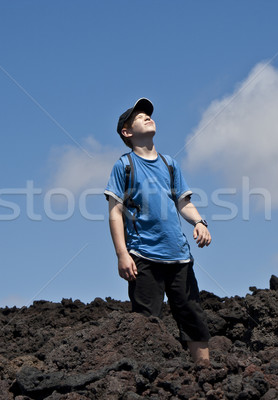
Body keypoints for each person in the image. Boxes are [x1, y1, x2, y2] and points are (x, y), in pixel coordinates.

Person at [104, 98, 212, 366]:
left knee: (192, 317)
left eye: (148, 115)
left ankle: (207, 376)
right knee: (146, 323)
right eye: (139, 117)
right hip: (143, 257)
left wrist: (200, 222)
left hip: (179, 257)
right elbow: (115, 212)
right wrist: (122, 254)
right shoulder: (124, 166)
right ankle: (147, 382)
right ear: (126, 132)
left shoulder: (170, 164)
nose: (147, 117)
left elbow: (183, 203)